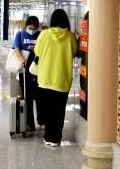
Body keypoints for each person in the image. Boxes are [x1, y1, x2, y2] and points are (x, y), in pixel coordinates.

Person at [33, 9, 77, 147]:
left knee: (47, 109)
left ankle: (47, 137)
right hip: (62, 80)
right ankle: (56, 139)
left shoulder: (44, 34)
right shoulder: (70, 37)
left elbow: (37, 51)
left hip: (45, 78)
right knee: (59, 111)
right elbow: (75, 53)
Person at [12, 16, 41, 131]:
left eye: (34, 28)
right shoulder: (20, 34)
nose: (32, 30)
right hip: (24, 71)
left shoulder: (40, 35)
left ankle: (41, 120)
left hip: (39, 71)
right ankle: (30, 123)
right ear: (26, 26)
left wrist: (36, 50)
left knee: (40, 98)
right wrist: (22, 60)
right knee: (27, 98)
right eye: (30, 28)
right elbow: (16, 48)